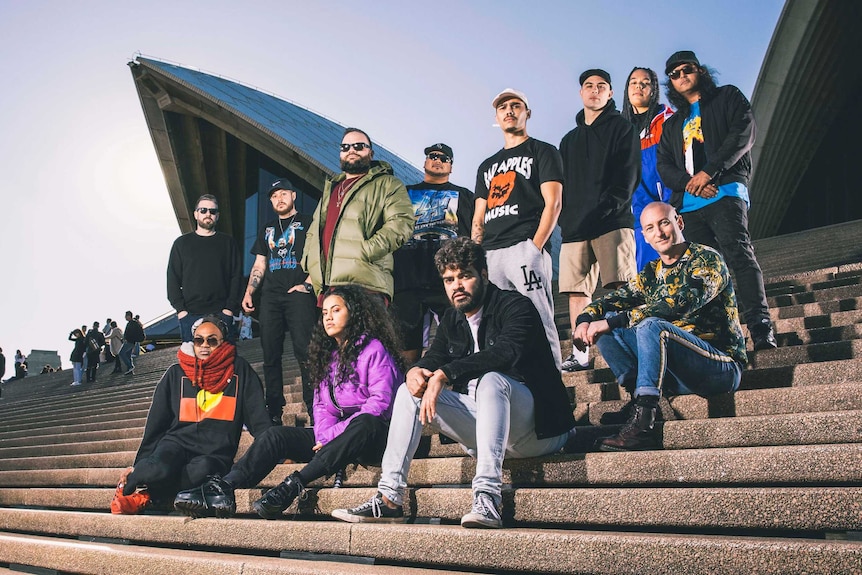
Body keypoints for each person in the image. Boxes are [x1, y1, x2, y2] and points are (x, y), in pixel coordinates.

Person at [332, 238, 575, 529]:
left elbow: (505, 352)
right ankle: (389, 498)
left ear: (484, 275)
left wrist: (445, 374)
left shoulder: (515, 306)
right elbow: (433, 357)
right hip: (489, 431)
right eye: (449, 279)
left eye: (465, 276)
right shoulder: (453, 319)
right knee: (409, 393)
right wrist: (417, 371)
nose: (457, 285)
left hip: (539, 429)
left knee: (492, 381)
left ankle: (487, 496)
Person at [174, 285, 403, 519]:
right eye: (324, 313)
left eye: (336, 310)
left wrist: (334, 435)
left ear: (353, 313)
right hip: (333, 438)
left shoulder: (374, 350)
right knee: (276, 436)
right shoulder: (328, 356)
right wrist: (325, 435)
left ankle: (292, 486)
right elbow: (322, 406)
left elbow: (381, 404)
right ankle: (224, 487)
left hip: (373, 437)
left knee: (366, 421)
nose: (328, 318)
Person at [573, 202, 747, 451]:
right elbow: (613, 300)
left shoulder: (707, 258)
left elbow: (679, 303)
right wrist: (585, 320)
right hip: (677, 373)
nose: (660, 232)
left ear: (679, 222)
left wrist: (612, 321)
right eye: (650, 228)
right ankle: (640, 402)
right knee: (609, 320)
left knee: (650, 326)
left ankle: (643, 425)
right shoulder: (652, 272)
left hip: (719, 368)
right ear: (644, 235)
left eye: (664, 222)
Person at [657, 50, 776, 351]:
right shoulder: (672, 125)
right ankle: (720, 335)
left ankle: (760, 327)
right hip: (690, 206)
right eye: (675, 73)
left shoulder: (727, 97)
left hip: (725, 194)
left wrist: (709, 173)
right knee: (704, 274)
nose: (682, 76)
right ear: (671, 82)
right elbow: (664, 165)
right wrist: (690, 183)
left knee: (739, 257)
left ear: (700, 71)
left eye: (687, 69)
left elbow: (742, 133)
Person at [110, 316, 272, 514]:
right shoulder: (176, 373)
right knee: (156, 469)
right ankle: (129, 489)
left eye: (212, 340)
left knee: (201, 471)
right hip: (176, 444)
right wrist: (139, 465)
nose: (204, 346)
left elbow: (259, 421)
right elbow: (156, 424)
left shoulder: (240, 372)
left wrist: (276, 449)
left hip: (214, 453)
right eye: (199, 340)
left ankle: (151, 497)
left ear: (223, 343)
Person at [472, 89, 564, 369]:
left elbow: (554, 202)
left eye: (515, 105)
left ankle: (552, 381)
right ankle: (495, 379)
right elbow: (479, 217)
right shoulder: (486, 166)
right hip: (490, 255)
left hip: (524, 248)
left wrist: (534, 247)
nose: (509, 110)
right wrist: (476, 256)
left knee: (538, 316)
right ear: (497, 117)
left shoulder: (542, 150)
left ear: (527, 113)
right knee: (490, 323)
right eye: (503, 108)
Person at [558, 69, 640, 373]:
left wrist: (608, 207)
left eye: (601, 86)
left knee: (621, 287)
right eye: (589, 86)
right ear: (581, 94)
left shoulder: (622, 128)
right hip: (575, 229)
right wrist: (566, 219)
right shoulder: (568, 140)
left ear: (609, 93)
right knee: (577, 293)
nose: (594, 91)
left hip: (612, 222)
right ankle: (580, 356)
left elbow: (628, 175)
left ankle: (631, 348)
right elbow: (561, 184)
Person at [302, 127, 414, 304]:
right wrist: (310, 265)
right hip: (329, 288)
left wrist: (365, 251)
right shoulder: (332, 188)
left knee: (367, 333)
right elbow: (315, 231)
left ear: (371, 153)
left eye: (358, 146)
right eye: (345, 147)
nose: (351, 150)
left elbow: (401, 224)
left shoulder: (387, 184)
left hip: (367, 284)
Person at [243, 177, 318, 426]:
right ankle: (273, 410)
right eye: (274, 196)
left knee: (305, 351)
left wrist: (307, 284)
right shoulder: (267, 228)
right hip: (271, 297)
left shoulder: (308, 222)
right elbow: (259, 263)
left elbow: (319, 256)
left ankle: (314, 406)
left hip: (298, 294)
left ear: (293, 196)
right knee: (270, 355)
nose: (279, 199)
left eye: (283, 194)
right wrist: (249, 292)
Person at [392, 143, 474, 363]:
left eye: (444, 158)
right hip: (407, 279)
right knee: (407, 345)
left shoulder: (464, 195)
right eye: (433, 156)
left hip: (446, 280)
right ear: (425, 162)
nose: (437, 160)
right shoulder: (404, 193)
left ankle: (459, 388)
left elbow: (474, 236)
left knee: (458, 337)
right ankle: (409, 392)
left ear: (451, 167)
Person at [620, 66, 676, 271]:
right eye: (633, 82)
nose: (638, 86)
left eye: (645, 83)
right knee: (645, 275)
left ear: (654, 89)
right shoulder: (619, 128)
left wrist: (673, 205)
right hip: (635, 215)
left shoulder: (667, 119)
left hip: (665, 207)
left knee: (674, 270)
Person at [167, 194, 243, 342]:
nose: (208, 214)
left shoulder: (228, 242)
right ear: (196, 214)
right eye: (203, 210)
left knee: (225, 362)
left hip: (222, 313)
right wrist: (181, 310)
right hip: (190, 314)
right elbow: (172, 278)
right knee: (193, 363)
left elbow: (236, 277)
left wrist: (229, 309)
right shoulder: (181, 244)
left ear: (217, 216)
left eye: (212, 211)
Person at [118, 311, 145, 375]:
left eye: (125, 316)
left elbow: (131, 333)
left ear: (129, 316)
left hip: (129, 342)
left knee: (121, 353)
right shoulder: (133, 323)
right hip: (132, 342)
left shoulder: (131, 323)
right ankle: (130, 370)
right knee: (128, 355)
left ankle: (130, 366)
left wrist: (126, 339)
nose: (125, 317)